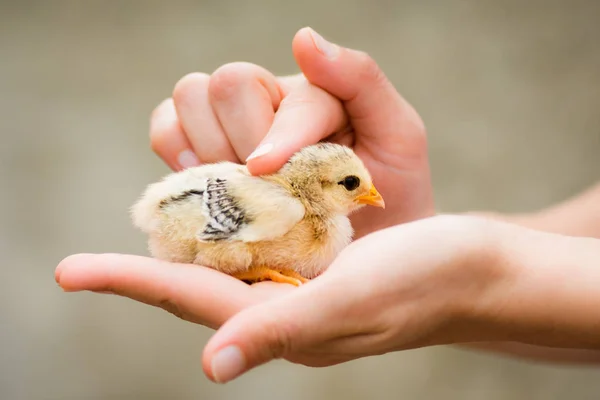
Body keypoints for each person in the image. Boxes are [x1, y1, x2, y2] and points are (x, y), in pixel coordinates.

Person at [55, 27, 600, 384]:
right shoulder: (288, 212)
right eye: (351, 185)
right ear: (317, 187)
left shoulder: (318, 224)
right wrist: (461, 264)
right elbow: (180, 217)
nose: (370, 195)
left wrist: (484, 279)